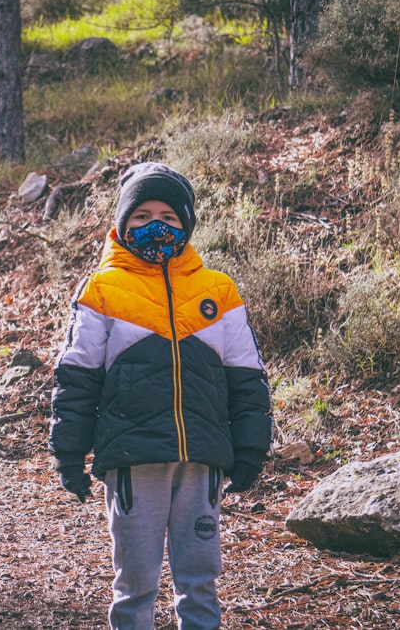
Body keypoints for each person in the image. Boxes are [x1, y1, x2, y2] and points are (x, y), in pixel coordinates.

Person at [49, 161, 273, 630]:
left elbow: (247, 377)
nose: (156, 225)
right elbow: (77, 376)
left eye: (169, 218)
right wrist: (69, 450)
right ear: (122, 223)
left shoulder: (219, 291)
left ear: (187, 224)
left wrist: (252, 445)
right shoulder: (103, 289)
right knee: (135, 579)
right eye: (142, 215)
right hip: (133, 459)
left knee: (200, 576)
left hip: (202, 459)